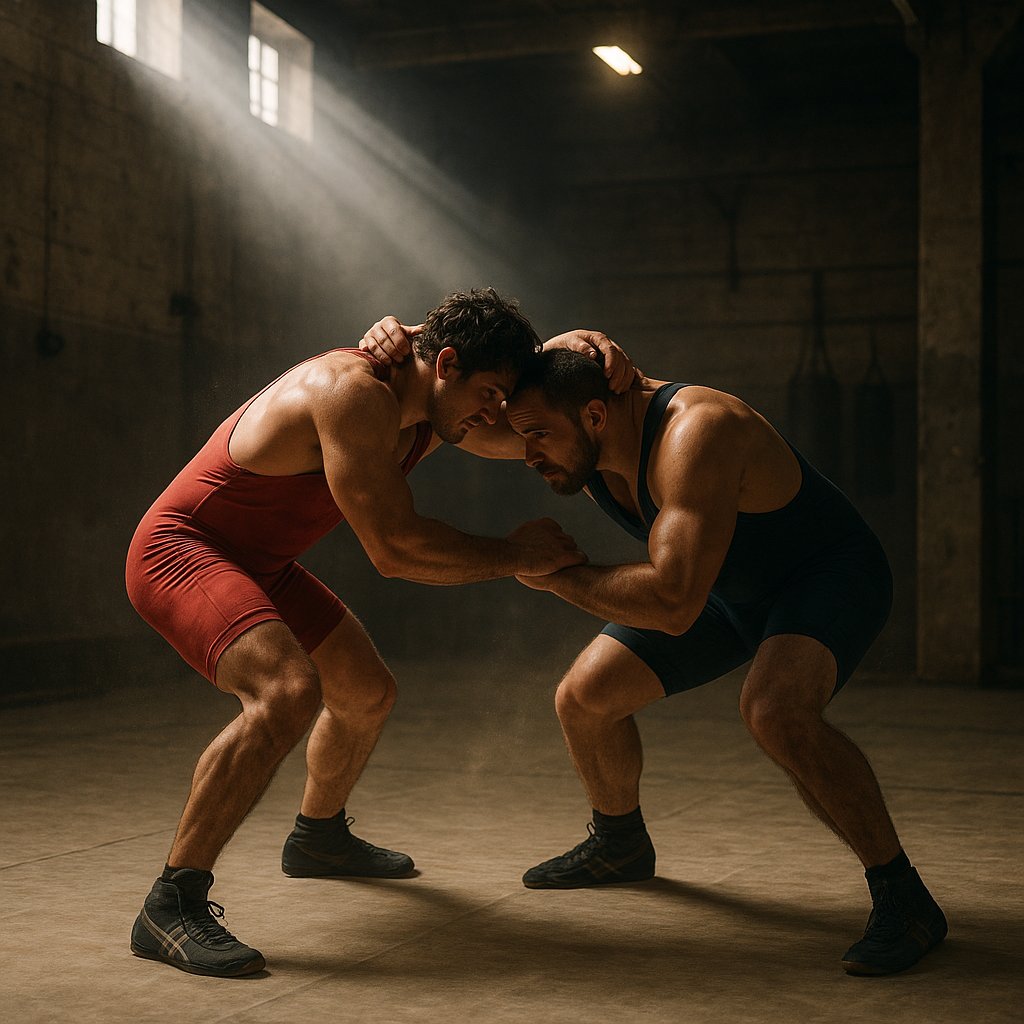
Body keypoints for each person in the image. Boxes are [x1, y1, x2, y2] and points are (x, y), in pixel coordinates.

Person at [362, 323, 946, 977]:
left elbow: (672, 603)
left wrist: (556, 575)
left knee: (776, 711)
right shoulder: (575, 423)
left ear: (592, 413)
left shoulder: (698, 431)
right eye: (523, 433)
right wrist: (401, 342)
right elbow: (459, 414)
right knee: (585, 698)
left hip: (821, 578)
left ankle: (904, 896)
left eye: (536, 436)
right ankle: (619, 845)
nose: (525, 453)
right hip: (721, 588)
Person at [124, 289, 613, 978]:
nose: (496, 415)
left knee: (366, 693)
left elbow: (533, 427)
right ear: (444, 362)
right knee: (287, 693)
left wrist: (584, 344)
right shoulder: (352, 393)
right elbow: (394, 549)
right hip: (183, 549)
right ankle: (170, 903)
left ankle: (318, 838)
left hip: (261, 564)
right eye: (490, 394)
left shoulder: (431, 406)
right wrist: (516, 555)